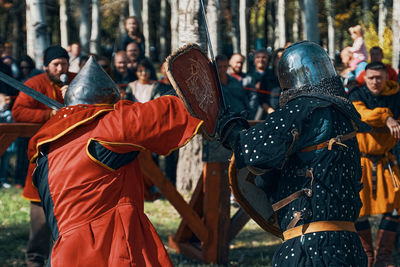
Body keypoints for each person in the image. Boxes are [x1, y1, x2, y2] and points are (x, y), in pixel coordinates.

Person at [26, 57, 202, 266]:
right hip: (105, 246)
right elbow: (165, 111)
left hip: (64, 251)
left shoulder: (47, 143)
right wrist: (196, 82)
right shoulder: (109, 127)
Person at [218, 41, 369, 266]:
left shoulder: (303, 108)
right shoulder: (346, 113)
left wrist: (230, 129)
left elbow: (254, 152)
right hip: (349, 244)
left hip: (310, 247)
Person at [11, 44, 75, 267]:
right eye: (56, 64)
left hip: (73, 163)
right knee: (39, 225)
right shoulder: (34, 85)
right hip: (42, 161)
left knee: (73, 226)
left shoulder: (77, 81)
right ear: (46, 65)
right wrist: (49, 113)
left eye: (64, 64)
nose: (60, 68)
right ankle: (35, 262)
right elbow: (18, 112)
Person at [348, 62, 400, 267]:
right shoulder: (356, 94)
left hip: (386, 160)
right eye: (371, 77)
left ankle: (382, 259)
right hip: (362, 161)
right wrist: (387, 118)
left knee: (396, 206)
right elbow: (363, 115)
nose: (375, 82)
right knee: (359, 209)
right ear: (364, 77)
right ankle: (367, 258)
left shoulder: (397, 96)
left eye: (379, 77)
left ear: (387, 77)